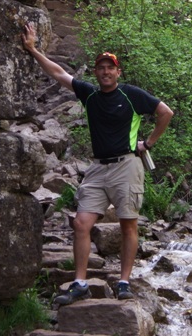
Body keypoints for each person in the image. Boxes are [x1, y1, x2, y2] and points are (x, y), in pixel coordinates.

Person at [21, 23, 174, 304]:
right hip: (98, 168)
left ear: (118, 72)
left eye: (110, 67)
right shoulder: (89, 94)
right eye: (101, 68)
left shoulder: (131, 94)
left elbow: (165, 112)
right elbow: (58, 73)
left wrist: (148, 144)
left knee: (128, 225)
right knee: (81, 223)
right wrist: (33, 50)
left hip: (127, 165)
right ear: (96, 72)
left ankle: (124, 282)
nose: (106, 72)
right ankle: (80, 282)